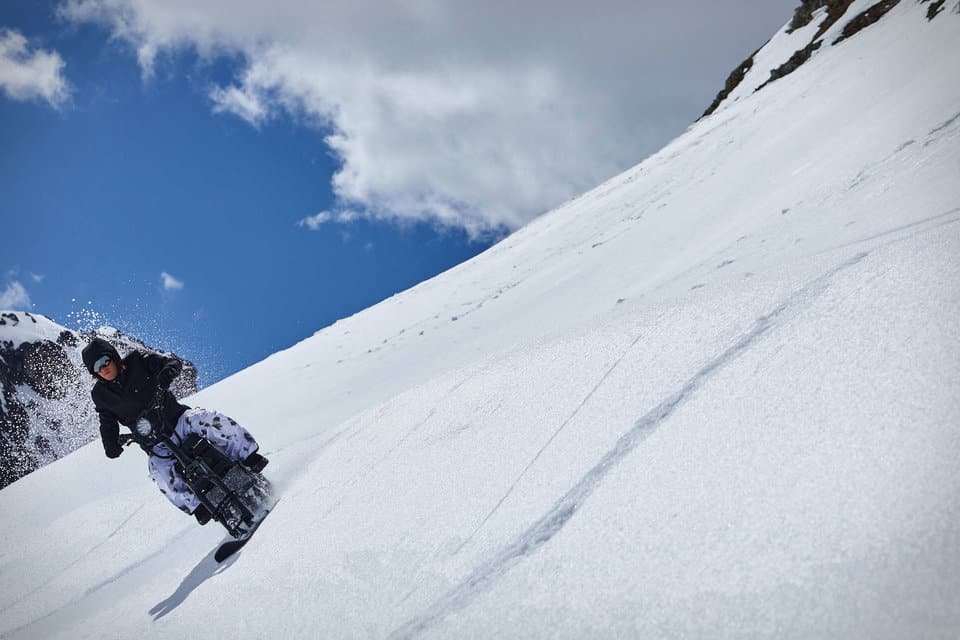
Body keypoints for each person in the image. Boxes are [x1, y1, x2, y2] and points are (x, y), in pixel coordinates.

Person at [81, 336, 268, 525]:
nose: (103, 368)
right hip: (155, 443)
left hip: (180, 420)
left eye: (105, 360)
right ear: (94, 373)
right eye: (96, 367)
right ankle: (199, 506)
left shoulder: (137, 360)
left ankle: (249, 456)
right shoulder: (100, 395)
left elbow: (171, 362)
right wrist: (110, 444)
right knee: (158, 471)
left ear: (113, 357)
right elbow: (107, 422)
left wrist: (167, 372)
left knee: (209, 420)